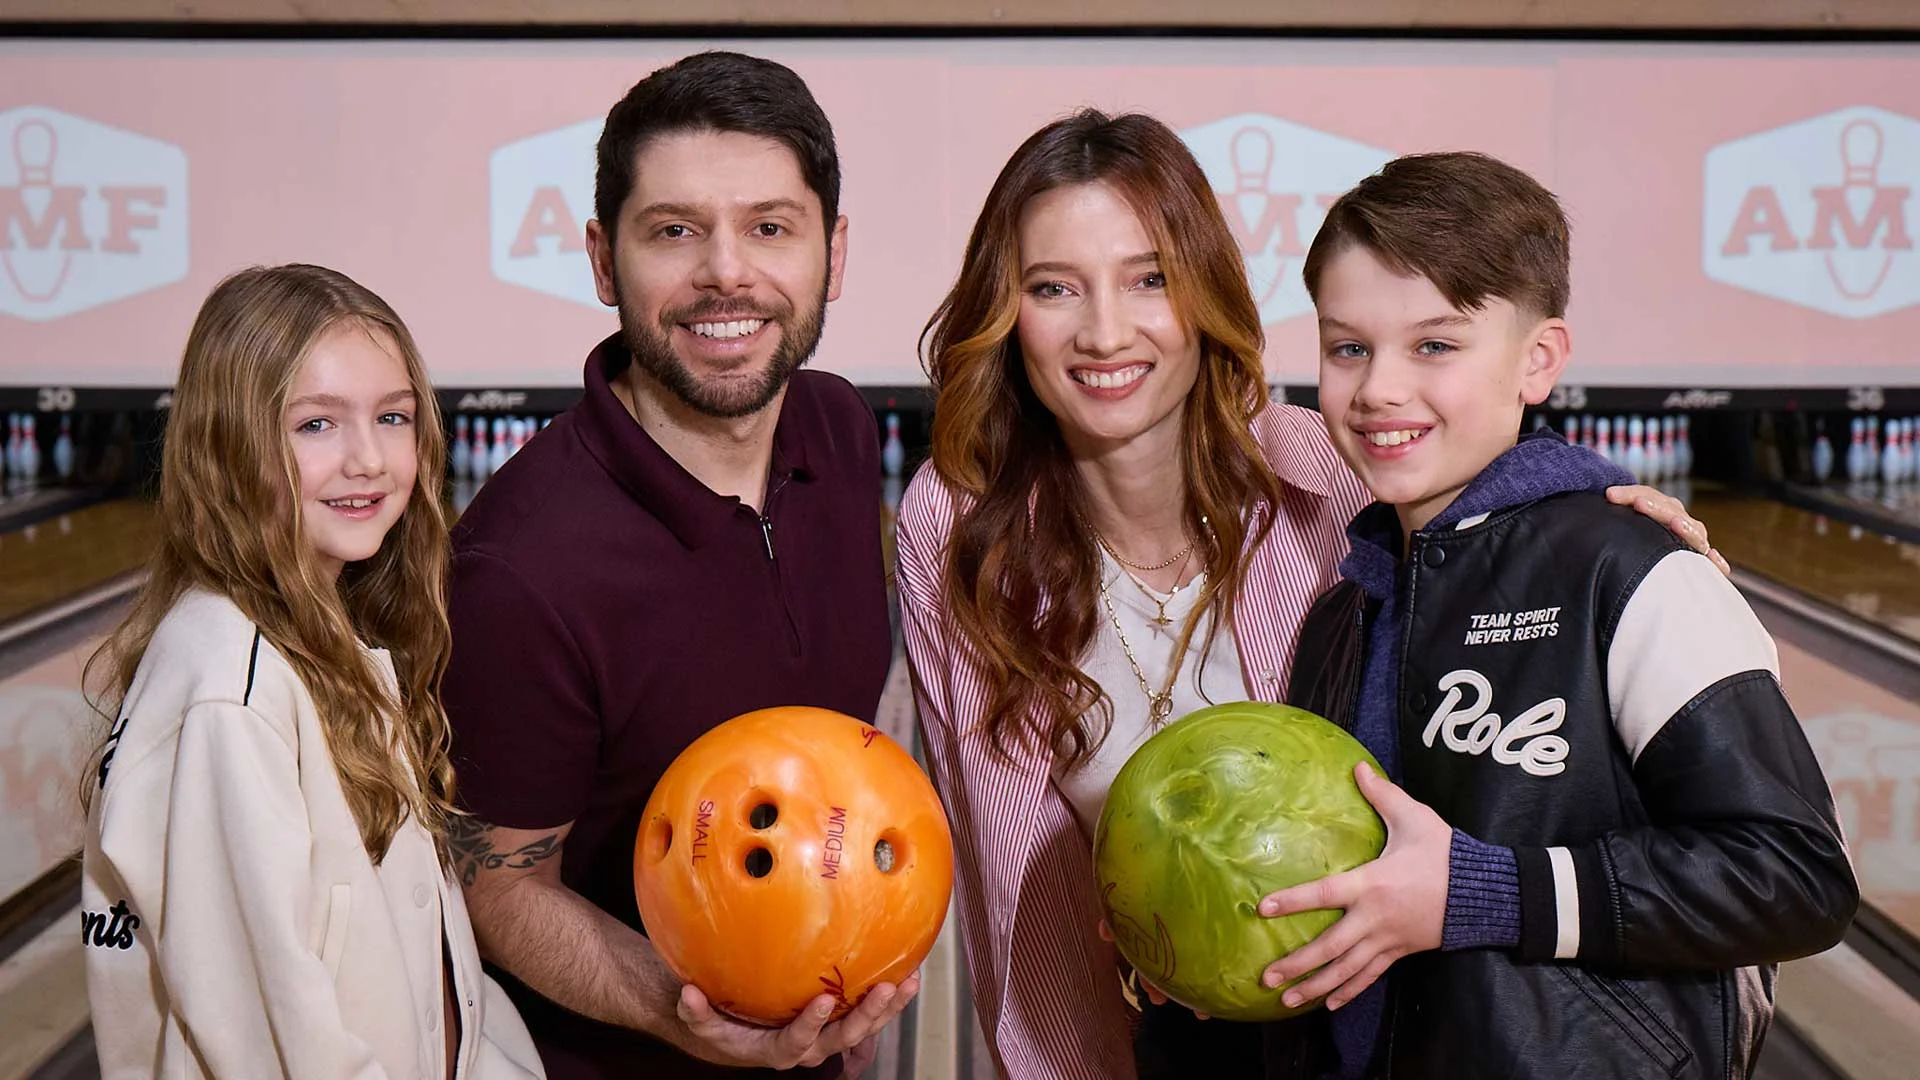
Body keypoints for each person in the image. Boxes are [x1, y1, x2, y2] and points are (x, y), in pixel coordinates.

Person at [894, 110, 1722, 1079]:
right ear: (1010, 309)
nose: (1106, 330)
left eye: (1149, 278)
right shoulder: (957, 524)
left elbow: (1508, 545)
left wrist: (1625, 550)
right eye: (1054, 288)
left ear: (1202, 290)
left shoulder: (1337, 469)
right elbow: (1009, 882)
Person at [1252, 151, 1858, 1079]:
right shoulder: (1343, 613)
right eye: (1347, 347)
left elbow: (1797, 874)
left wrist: (1492, 894)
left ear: (1540, 361)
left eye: (1435, 345)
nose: (1378, 388)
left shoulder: (1632, 571)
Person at [440, 52, 914, 1080]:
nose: (727, 274)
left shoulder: (834, 428)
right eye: (676, 231)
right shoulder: (518, 569)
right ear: (605, 261)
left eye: (770, 228)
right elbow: (494, 881)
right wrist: (689, 1010)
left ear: (834, 252)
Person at [80, 264, 544, 1080]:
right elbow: (268, 1038)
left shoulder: (324, 638)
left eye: (392, 417)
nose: (367, 458)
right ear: (229, 445)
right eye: (316, 426)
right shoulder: (229, 687)